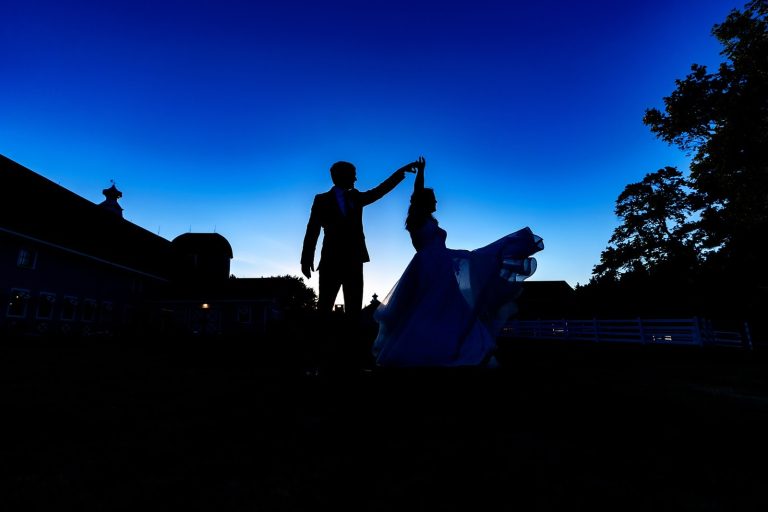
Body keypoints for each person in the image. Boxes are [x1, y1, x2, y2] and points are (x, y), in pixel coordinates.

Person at [371, 156, 544, 368]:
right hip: (426, 266)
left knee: (449, 308)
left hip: (443, 266)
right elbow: (416, 195)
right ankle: (422, 351)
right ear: (424, 203)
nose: (436, 201)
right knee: (427, 308)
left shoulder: (431, 221)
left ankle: (464, 347)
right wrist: (421, 172)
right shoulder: (418, 218)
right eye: (433, 199)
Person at [301, 158, 420, 373]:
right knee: (324, 312)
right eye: (353, 174)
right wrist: (306, 258)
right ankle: (318, 361)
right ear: (341, 176)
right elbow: (312, 230)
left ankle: (353, 361)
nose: (356, 178)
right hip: (330, 262)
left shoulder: (356, 197)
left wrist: (400, 171)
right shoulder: (321, 200)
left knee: (354, 313)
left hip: (354, 261)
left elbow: (380, 191)